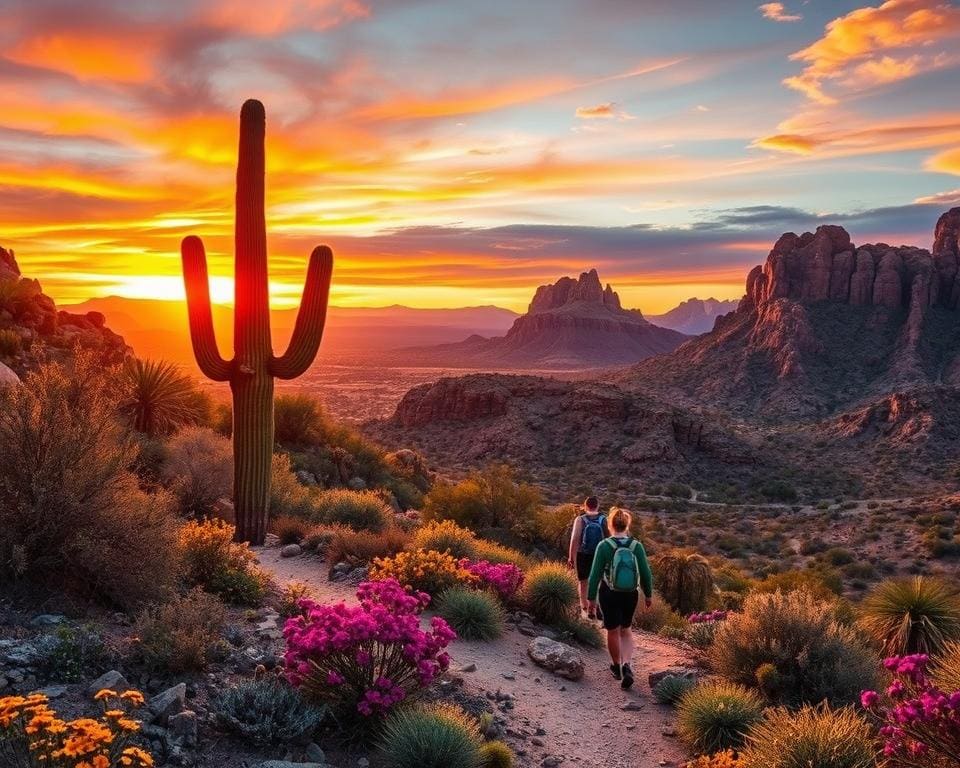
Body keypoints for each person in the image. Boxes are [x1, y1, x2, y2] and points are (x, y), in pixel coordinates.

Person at [586, 507, 653, 690]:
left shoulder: (604, 546)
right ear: (627, 524)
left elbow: (594, 575)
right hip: (630, 594)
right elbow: (646, 573)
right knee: (626, 630)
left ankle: (616, 667)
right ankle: (627, 665)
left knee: (613, 630)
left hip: (609, 593)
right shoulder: (636, 546)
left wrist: (591, 600)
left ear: (610, 524)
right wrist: (648, 594)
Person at [567, 496, 609, 620]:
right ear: (597, 506)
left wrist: (571, 557)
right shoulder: (604, 519)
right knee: (600, 582)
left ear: (585, 506)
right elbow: (609, 539)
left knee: (583, 582)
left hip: (583, 554)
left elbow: (574, 539)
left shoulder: (580, 519)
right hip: (600, 555)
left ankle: (586, 610)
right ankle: (597, 607)